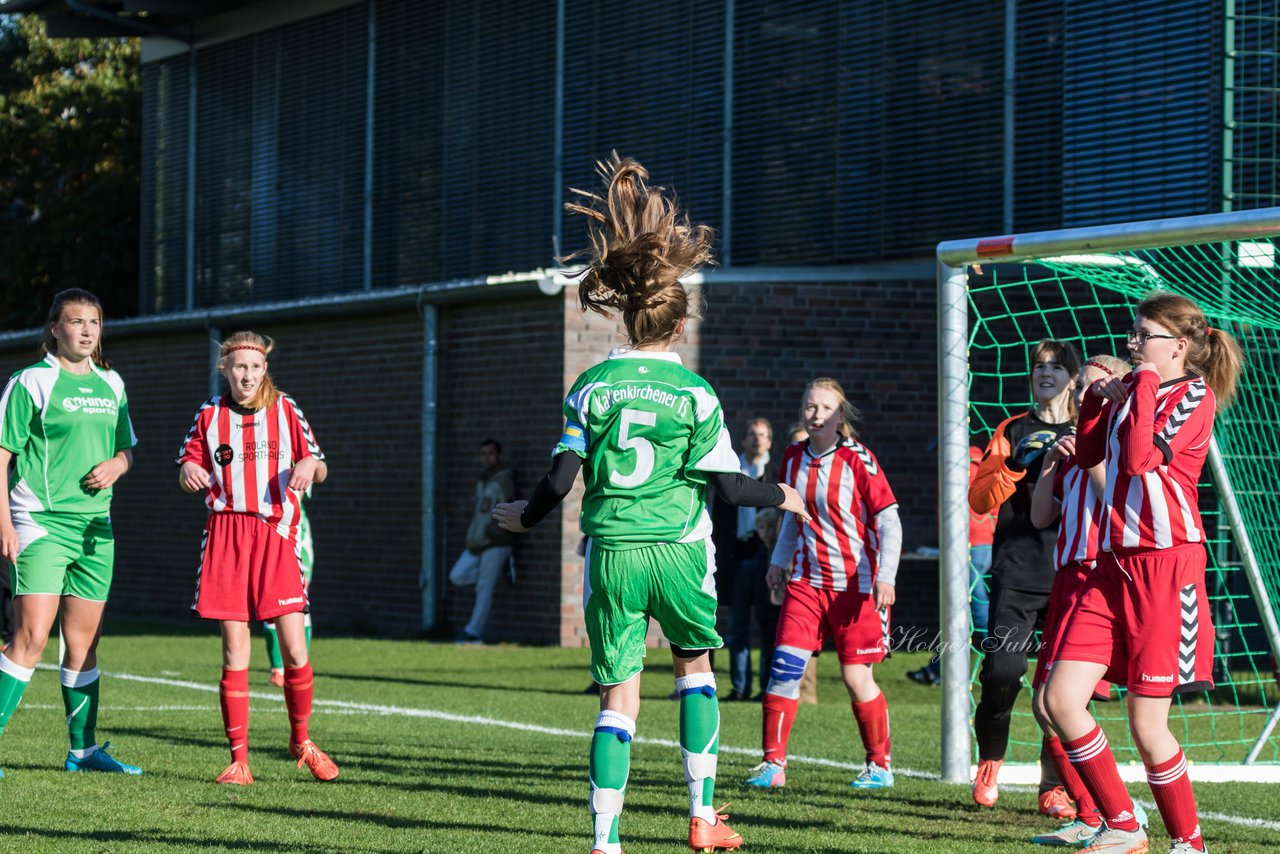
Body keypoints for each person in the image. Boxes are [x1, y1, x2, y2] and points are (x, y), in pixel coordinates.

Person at [490, 154, 807, 854]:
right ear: (679, 321)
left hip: (614, 556)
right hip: (680, 552)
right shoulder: (695, 394)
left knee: (617, 699)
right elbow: (728, 487)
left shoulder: (592, 386)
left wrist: (525, 517)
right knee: (696, 673)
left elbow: (563, 477)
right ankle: (701, 817)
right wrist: (786, 492)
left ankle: (606, 842)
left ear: (629, 315)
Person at [1045, 295, 1244, 854]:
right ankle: (1124, 826)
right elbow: (1090, 456)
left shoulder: (1193, 395)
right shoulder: (1138, 389)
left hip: (1167, 565)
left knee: (1146, 725)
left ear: (1178, 346)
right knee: (1061, 699)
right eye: (1133, 334)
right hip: (1112, 564)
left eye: (1144, 336)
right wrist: (1092, 404)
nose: (1133, 344)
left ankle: (1188, 842)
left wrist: (1145, 383)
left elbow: (1136, 460)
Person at [177, 331, 339, 786]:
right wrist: (189, 468)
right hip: (227, 534)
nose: (246, 374)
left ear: (265, 368)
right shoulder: (209, 414)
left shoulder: (287, 410)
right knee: (235, 649)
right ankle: (239, 760)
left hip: (275, 535)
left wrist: (312, 467)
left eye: (254, 367)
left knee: (293, 647)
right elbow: (187, 461)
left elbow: (319, 463)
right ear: (224, 369)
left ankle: (302, 741)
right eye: (238, 367)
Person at [0, 288, 142, 777]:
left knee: (84, 644)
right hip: (40, 522)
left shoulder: (113, 384)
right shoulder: (31, 383)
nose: (85, 330)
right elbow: (1, 456)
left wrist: (117, 466)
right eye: (75, 322)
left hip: (95, 529)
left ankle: (82, 752)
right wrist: (4, 525)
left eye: (94, 323)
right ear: (54, 329)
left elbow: (127, 449)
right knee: (31, 637)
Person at [744, 377, 903, 791]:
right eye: (810, 407)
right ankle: (772, 764)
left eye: (825, 409)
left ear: (840, 416)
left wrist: (886, 576)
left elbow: (889, 521)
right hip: (806, 583)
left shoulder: (858, 460)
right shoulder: (793, 457)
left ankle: (879, 765)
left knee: (855, 679)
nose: (815, 415)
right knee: (783, 668)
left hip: (856, 586)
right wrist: (779, 562)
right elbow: (793, 518)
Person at [968, 338, 1080, 813]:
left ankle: (1053, 786)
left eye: (1055, 367)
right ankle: (990, 762)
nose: (1045, 373)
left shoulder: (1088, 428)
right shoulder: (1012, 430)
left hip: (1072, 573)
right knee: (1002, 674)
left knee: (1062, 689)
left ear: (1073, 378)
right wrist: (1015, 464)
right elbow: (980, 500)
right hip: (1017, 570)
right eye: (1039, 367)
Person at [1025, 354, 1132, 847]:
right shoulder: (1074, 443)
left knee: (1058, 702)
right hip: (1065, 577)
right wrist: (1051, 461)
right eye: (1084, 388)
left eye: (1098, 387)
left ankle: (1112, 816)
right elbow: (1041, 517)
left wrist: (1086, 452)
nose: (1089, 395)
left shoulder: (1117, 439)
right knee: (1045, 703)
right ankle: (1094, 816)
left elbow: (1113, 497)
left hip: (1096, 574)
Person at [907, 444, 996, 686]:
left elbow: (987, 502)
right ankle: (937, 669)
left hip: (972, 546)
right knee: (960, 613)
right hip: (975, 544)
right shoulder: (969, 467)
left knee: (976, 611)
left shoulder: (964, 469)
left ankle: (1001, 663)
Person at [723, 417, 778, 701]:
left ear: (769, 441)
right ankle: (739, 687)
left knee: (768, 624)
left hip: (766, 554)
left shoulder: (774, 471)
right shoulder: (731, 470)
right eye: (752, 434)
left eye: (763, 434)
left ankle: (766, 687)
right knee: (737, 626)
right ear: (743, 440)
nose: (757, 439)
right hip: (738, 554)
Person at [448, 439, 517, 644]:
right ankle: (501, 569)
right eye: (483, 454)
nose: (486, 458)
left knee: (484, 587)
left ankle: (473, 632)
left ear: (499, 456)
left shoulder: (504, 480)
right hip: (478, 542)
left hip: (496, 541)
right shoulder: (482, 480)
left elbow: (509, 508)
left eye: (491, 453)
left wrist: (497, 531)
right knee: (457, 575)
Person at [263, 481, 324, 687]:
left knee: (299, 598)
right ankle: (278, 668)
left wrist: (311, 465)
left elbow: (319, 469)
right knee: (269, 601)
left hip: (296, 534)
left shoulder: (298, 452)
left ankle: (298, 666)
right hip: (265, 528)